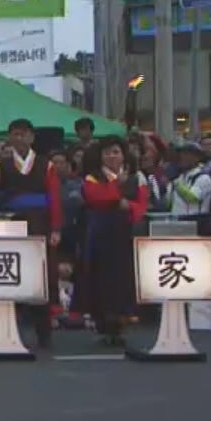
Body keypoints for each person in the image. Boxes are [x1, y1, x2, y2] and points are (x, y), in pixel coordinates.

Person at [0, 117, 63, 347]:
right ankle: (9, 330)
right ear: (9, 138)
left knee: (40, 277)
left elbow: (54, 199)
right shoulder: (0, 165)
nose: (18, 138)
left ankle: (44, 331)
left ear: (31, 137)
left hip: (39, 223)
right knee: (11, 274)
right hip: (11, 224)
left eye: (23, 134)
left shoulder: (45, 165)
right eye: (14, 134)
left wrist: (56, 228)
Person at [77, 137, 150, 346]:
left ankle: (120, 324)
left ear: (124, 155)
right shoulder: (93, 177)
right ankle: (103, 324)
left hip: (126, 233)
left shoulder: (137, 177)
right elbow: (95, 198)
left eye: (116, 152)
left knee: (124, 278)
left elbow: (142, 204)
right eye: (107, 152)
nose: (112, 156)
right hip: (100, 233)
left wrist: (129, 207)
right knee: (100, 279)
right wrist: (117, 191)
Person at [167, 140, 211, 232]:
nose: (182, 157)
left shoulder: (203, 177)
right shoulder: (180, 177)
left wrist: (175, 184)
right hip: (176, 222)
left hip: (197, 224)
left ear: (197, 157)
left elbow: (191, 197)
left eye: (186, 154)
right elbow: (169, 203)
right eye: (181, 154)